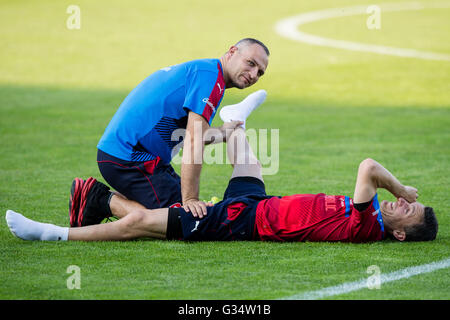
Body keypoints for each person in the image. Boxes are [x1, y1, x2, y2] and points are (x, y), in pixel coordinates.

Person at [6, 116, 438, 243]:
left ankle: (52, 234)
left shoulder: (367, 226)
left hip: (240, 222)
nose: (403, 204)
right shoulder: (373, 214)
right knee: (242, 141)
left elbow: (368, 167)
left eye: (408, 212)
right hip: (259, 202)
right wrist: (397, 194)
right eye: (407, 202)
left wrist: (402, 188)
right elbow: (372, 175)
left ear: (399, 234)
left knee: (143, 224)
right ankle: (234, 120)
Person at [88, 38, 270, 221]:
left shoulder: (209, 73)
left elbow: (185, 134)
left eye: (260, 72)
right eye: (251, 63)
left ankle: (95, 199)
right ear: (231, 52)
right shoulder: (210, 78)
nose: (254, 74)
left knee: (196, 215)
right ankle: (98, 199)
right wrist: (191, 199)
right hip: (128, 159)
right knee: (184, 219)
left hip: (139, 158)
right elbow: (193, 141)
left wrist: (222, 132)